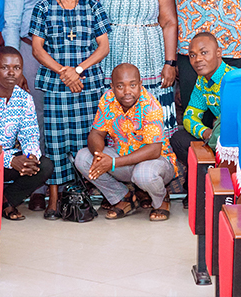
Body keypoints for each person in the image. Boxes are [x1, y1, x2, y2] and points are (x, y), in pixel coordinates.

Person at [29, 0, 111, 219]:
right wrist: (63, 71)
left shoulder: (92, 7)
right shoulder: (43, 7)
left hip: (86, 83)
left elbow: (104, 47)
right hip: (56, 83)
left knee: (84, 138)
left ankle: (80, 192)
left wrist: (77, 70)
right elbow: (37, 48)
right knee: (55, 140)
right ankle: (54, 196)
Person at [87, 0, 179, 136]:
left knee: (152, 116)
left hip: (151, 56)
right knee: (114, 109)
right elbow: (90, 26)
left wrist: (170, 62)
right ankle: (115, 158)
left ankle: (156, 156)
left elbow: (169, 22)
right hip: (111, 56)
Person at [4, 0, 73, 178]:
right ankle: (39, 183)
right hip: (30, 54)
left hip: (68, 55)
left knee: (68, 115)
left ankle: (68, 181)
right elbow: (11, 22)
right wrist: (14, 66)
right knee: (35, 117)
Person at [75, 63, 177, 221]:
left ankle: (161, 200)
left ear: (140, 84)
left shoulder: (150, 105)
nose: (127, 91)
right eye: (120, 86)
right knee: (82, 158)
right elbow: (96, 133)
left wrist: (113, 163)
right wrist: (99, 156)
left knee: (143, 174)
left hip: (156, 163)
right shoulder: (108, 99)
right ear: (112, 86)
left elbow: (154, 150)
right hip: (123, 159)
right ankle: (124, 197)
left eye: (133, 85)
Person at [0, 47, 53, 220]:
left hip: (9, 161)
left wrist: (30, 158)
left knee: (44, 166)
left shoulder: (24, 99)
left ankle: (3, 200)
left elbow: (30, 136)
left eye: (17, 68)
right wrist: (10, 160)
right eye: (4, 67)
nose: (11, 73)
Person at [169, 32, 232, 165]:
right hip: (216, 137)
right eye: (193, 55)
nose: (197, 59)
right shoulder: (202, 81)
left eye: (204, 53)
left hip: (237, 140)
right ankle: (206, 176)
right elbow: (189, 117)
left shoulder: (232, 80)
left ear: (218, 52)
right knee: (178, 139)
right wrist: (206, 133)